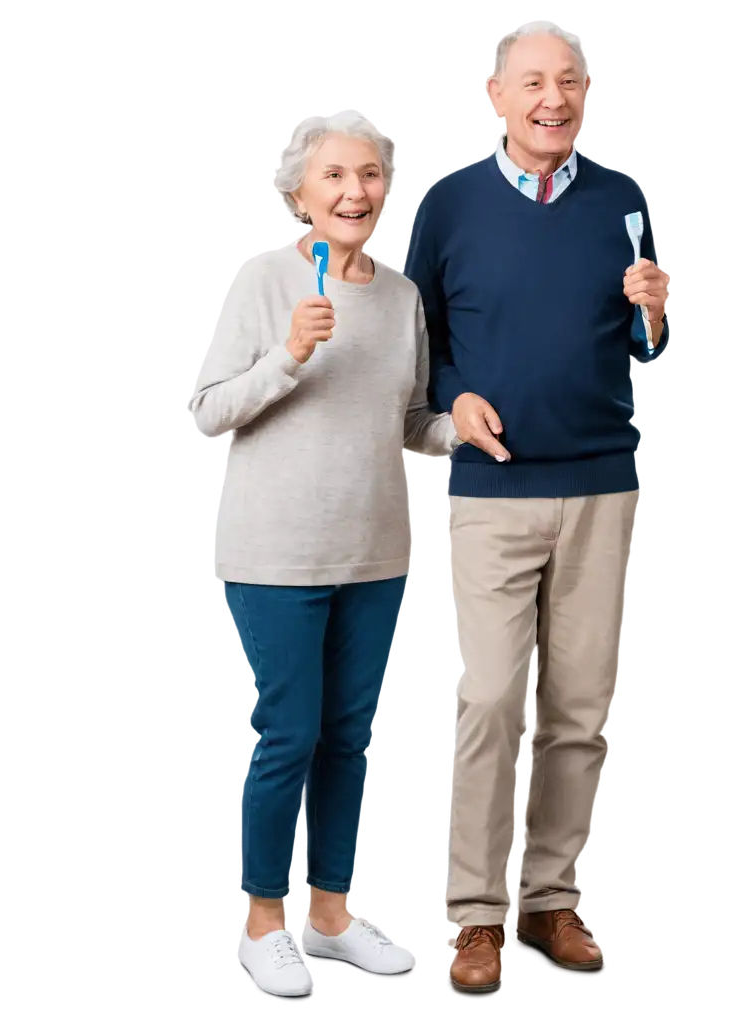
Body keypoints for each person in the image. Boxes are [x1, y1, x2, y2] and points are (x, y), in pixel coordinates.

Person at [403, 18, 672, 993]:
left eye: (566, 82)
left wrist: (655, 311)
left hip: (601, 484)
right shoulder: (451, 204)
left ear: (581, 94)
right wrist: (448, 397)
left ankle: (550, 900)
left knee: (580, 711)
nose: (550, 99)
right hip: (492, 492)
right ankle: (476, 913)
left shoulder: (621, 201)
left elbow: (644, 343)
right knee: (487, 703)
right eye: (531, 82)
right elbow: (413, 336)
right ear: (493, 95)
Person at [186, 107, 460, 999]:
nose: (355, 192)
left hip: (374, 552)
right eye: (335, 176)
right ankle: (265, 924)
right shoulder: (261, 281)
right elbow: (208, 409)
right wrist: (288, 356)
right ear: (299, 194)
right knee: (286, 738)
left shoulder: (403, 295)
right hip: (276, 557)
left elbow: (409, 420)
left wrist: (459, 425)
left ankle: (332, 914)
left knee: (348, 738)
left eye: (370, 174)